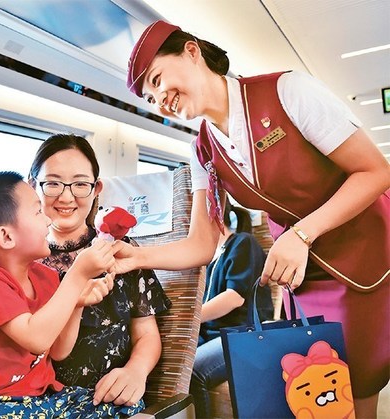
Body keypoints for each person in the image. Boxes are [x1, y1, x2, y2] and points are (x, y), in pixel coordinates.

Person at [118, 20, 390, 417]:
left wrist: (301, 233)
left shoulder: (286, 91)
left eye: (158, 80)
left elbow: (375, 172)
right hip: (302, 273)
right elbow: (201, 244)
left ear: (192, 52)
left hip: (365, 254)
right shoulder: (203, 151)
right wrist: (135, 257)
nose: (160, 99)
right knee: (319, 391)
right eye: (150, 97)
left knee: (358, 383)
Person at [0, 134, 171, 418]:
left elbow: (146, 333)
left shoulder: (120, 253)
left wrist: (136, 370)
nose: (66, 196)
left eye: (80, 184)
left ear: (96, 189)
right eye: (53, 183)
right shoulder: (18, 262)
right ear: (35, 186)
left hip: (80, 397)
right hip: (21, 398)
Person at [190, 199, 272, 418]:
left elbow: (233, 298)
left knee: (194, 371)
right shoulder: (206, 259)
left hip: (246, 334)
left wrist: (191, 321)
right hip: (216, 337)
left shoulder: (243, 243)